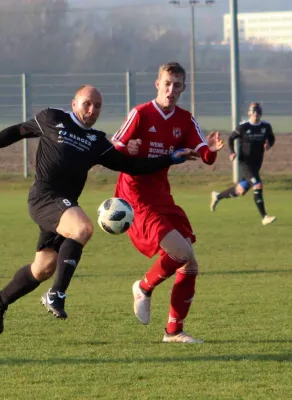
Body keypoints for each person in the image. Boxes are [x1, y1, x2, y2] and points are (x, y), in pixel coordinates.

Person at [0, 85, 200, 334]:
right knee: (83, 228)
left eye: (97, 106)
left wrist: (170, 158)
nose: (92, 109)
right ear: (74, 104)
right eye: (87, 103)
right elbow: (16, 132)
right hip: (44, 197)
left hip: (63, 206)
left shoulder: (97, 142)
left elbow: (133, 166)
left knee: (43, 267)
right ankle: (56, 294)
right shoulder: (52, 119)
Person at [112, 62, 224, 344]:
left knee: (190, 265)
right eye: (167, 84)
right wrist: (128, 149)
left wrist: (210, 151)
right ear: (157, 84)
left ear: (183, 88)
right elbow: (114, 147)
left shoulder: (185, 120)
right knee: (181, 253)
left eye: (177, 85)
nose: (171, 90)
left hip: (161, 194)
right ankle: (143, 287)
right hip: (135, 195)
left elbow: (203, 152)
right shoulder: (140, 113)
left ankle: (174, 331)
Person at [210, 102, 276, 226]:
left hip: (257, 163)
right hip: (245, 162)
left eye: (258, 112)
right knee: (257, 185)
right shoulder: (243, 127)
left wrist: (269, 145)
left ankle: (218, 196)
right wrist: (232, 152)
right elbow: (231, 138)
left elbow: (272, 138)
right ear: (249, 113)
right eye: (254, 112)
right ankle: (264, 217)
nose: (256, 115)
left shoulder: (266, 127)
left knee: (240, 190)